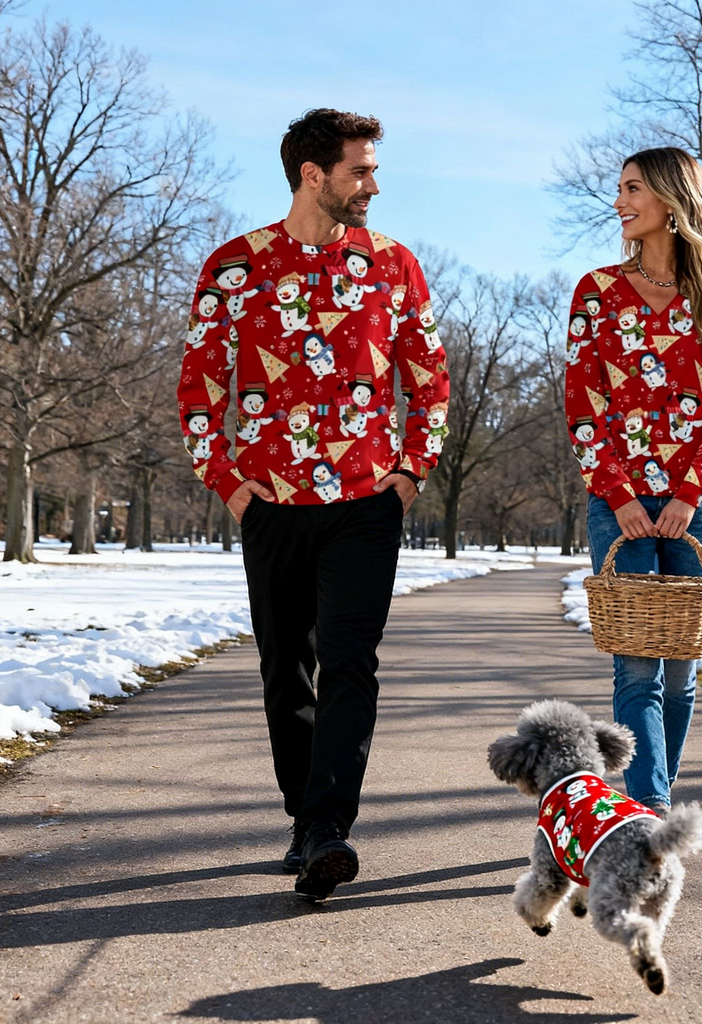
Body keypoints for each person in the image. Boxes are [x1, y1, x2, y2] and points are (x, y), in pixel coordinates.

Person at [177, 108, 449, 900]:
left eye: (372, 171)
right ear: (312, 174)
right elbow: (199, 389)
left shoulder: (394, 265)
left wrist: (412, 472)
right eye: (360, 170)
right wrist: (229, 485)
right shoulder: (236, 266)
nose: (372, 185)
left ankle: (330, 827)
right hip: (271, 505)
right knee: (285, 670)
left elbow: (429, 379)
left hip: (366, 503)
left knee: (351, 662)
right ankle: (304, 821)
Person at [564, 147, 702, 816]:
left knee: (682, 671)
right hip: (617, 503)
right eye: (620, 189)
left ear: (672, 201)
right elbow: (582, 403)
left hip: (696, 503)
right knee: (637, 665)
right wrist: (619, 496)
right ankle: (648, 810)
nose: (619, 201)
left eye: (632, 188)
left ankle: (654, 801)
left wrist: (689, 493)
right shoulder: (595, 292)